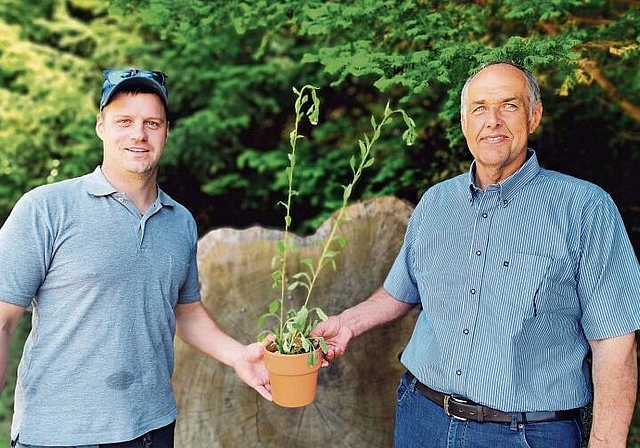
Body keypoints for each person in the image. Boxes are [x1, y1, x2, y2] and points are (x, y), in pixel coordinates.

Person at [312, 61, 640, 448]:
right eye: (480, 108)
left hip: (529, 434)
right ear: (465, 121)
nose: (493, 121)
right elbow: (401, 292)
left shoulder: (585, 208)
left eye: (509, 105)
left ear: (534, 116)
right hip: (423, 417)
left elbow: (615, 342)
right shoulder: (436, 203)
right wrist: (348, 323)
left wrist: (606, 442)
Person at [0, 68, 272, 447]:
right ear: (101, 126)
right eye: (124, 121)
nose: (138, 134)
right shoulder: (46, 208)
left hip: (153, 429)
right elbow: (3, 321)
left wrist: (241, 355)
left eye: (151, 123)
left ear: (166, 132)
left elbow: (186, 310)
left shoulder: (180, 222)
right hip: (60, 434)